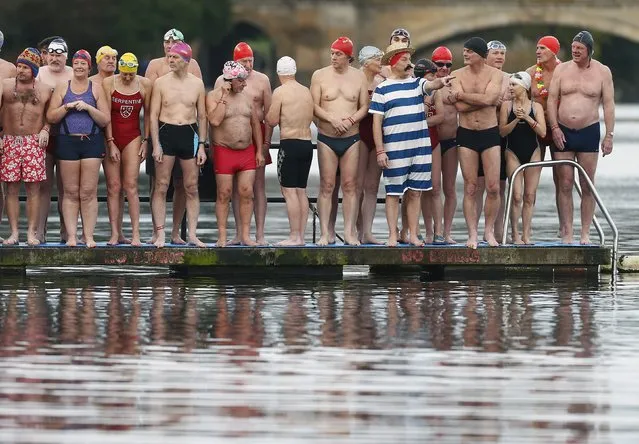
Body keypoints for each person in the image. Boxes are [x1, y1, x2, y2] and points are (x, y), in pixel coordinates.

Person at [371, 43, 453, 247]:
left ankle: (414, 235)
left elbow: (431, 86)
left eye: (409, 59)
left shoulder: (417, 83)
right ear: (393, 62)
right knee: (393, 193)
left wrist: (441, 81)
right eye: (405, 60)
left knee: (416, 192)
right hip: (394, 148)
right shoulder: (382, 89)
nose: (410, 63)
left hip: (420, 147)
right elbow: (376, 124)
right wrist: (380, 151)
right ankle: (392, 235)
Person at [547, 31, 615, 245]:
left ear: (589, 51)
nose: (575, 51)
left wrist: (609, 135)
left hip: (589, 130)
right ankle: (567, 232)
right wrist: (555, 128)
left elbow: (609, 105)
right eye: (574, 47)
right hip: (563, 130)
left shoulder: (602, 72)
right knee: (565, 183)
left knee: (586, 184)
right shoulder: (562, 69)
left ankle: (585, 233)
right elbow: (551, 100)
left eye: (580, 49)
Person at [46, 50, 110, 248]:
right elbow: (51, 117)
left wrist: (88, 107)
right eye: (76, 63)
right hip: (68, 141)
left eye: (83, 64)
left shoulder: (96, 88)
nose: (79, 67)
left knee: (88, 192)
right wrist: (67, 107)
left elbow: (105, 119)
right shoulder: (62, 88)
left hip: (92, 141)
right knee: (71, 192)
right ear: (72, 66)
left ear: (89, 67)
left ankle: (88, 236)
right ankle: (72, 236)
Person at [145, 28, 202, 245]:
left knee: (184, 185)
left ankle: (176, 231)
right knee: (159, 184)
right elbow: (149, 105)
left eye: (174, 42)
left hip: (187, 131)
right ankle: (157, 231)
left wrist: (202, 143)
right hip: (162, 129)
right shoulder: (155, 67)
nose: (170, 46)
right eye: (167, 42)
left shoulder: (192, 66)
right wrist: (149, 140)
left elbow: (198, 102)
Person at [310, 36, 369, 246]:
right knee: (327, 185)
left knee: (350, 185)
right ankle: (326, 233)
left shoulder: (359, 77)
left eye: (338, 54)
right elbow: (314, 105)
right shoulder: (319, 76)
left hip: (351, 138)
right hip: (327, 137)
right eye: (332, 53)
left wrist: (350, 120)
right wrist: (332, 119)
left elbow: (364, 106)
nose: (333, 57)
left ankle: (350, 233)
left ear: (348, 57)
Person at [213, 42, 272, 246]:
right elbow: (214, 119)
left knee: (255, 188)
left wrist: (264, 144)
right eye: (244, 61)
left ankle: (259, 234)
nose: (248, 64)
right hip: (227, 142)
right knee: (229, 191)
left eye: (250, 60)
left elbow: (267, 116)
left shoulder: (262, 80)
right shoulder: (220, 83)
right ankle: (236, 234)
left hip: (253, 138)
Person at [448, 37, 504, 249]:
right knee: (470, 187)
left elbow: (490, 100)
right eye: (464, 51)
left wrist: (462, 95)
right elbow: (461, 108)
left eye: (469, 51)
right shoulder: (456, 74)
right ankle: (472, 234)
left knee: (493, 187)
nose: (465, 54)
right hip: (467, 133)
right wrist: (480, 99)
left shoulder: (496, 74)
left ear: (480, 54)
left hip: (490, 133)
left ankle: (488, 231)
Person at [207, 61, 264, 247]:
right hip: (224, 150)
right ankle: (222, 236)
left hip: (247, 151)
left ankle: (245, 236)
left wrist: (260, 151)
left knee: (247, 193)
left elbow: (255, 124)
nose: (245, 84)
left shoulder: (247, 97)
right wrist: (223, 97)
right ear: (230, 80)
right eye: (241, 81)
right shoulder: (213, 96)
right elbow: (214, 121)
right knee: (224, 194)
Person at [1, 48, 52, 245]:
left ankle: (31, 233)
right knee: (11, 189)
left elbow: (50, 115)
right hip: (10, 140)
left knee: (33, 189)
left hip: (33, 142)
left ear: (34, 70)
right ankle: (14, 233)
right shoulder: (5, 86)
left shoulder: (45, 89)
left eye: (25, 67)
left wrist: (46, 129)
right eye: (19, 66)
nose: (20, 70)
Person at [103, 52, 152, 246]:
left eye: (131, 74)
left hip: (133, 136)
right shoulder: (109, 83)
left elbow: (148, 115)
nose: (127, 78)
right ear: (119, 70)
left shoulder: (145, 84)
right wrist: (110, 141)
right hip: (113, 136)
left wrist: (146, 140)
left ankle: (136, 234)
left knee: (130, 186)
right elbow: (106, 115)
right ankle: (116, 233)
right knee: (113, 187)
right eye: (124, 74)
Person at [265, 56, 314, 246]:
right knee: (301, 191)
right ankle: (300, 236)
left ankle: (294, 236)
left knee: (289, 192)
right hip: (307, 145)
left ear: (279, 74)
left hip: (290, 145)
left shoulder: (280, 92)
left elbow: (272, 120)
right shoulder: (306, 91)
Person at [499, 72, 546, 244]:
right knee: (517, 196)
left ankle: (527, 234)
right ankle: (515, 235)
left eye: (513, 85)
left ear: (524, 87)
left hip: (533, 152)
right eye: (509, 85)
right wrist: (515, 121)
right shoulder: (506, 106)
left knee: (529, 195)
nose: (510, 88)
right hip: (512, 152)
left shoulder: (536, 107)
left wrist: (526, 117)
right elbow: (502, 132)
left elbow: (543, 132)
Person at [36, 38, 74, 243]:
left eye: (59, 54)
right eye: (51, 54)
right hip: (43, 137)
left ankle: (66, 232)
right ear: (46, 55)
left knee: (66, 188)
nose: (54, 58)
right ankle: (39, 231)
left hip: (67, 136)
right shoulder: (39, 74)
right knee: (43, 186)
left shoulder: (72, 74)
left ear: (66, 56)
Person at [526, 35, 562, 235]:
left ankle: (563, 227)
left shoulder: (564, 72)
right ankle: (527, 227)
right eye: (537, 48)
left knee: (562, 181)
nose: (538, 51)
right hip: (536, 130)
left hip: (558, 129)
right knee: (531, 182)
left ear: (553, 51)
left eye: (543, 48)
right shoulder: (531, 73)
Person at [476, 40, 510, 242]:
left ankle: (498, 231)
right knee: (478, 186)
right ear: (485, 56)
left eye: (502, 53)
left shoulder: (509, 78)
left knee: (499, 187)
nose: (499, 57)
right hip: (480, 133)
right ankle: (477, 230)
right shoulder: (477, 77)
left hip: (502, 136)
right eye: (495, 53)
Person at [356, 46, 385, 244]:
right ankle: (355, 231)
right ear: (366, 62)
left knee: (372, 186)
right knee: (356, 186)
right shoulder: (354, 79)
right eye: (378, 59)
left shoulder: (382, 82)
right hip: (358, 133)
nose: (381, 63)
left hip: (377, 135)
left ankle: (367, 232)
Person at [414, 58, 445, 244]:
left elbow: (440, 116)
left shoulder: (436, 92)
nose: (436, 77)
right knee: (416, 189)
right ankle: (419, 231)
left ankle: (438, 231)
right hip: (415, 141)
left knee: (435, 187)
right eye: (432, 74)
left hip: (432, 140)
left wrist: (420, 122)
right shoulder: (412, 90)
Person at [431, 46, 459, 244]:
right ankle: (435, 231)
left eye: (448, 65)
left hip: (451, 140)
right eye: (440, 64)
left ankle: (446, 232)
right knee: (433, 188)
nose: (444, 68)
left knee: (449, 188)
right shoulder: (426, 83)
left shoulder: (456, 84)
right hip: (431, 141)